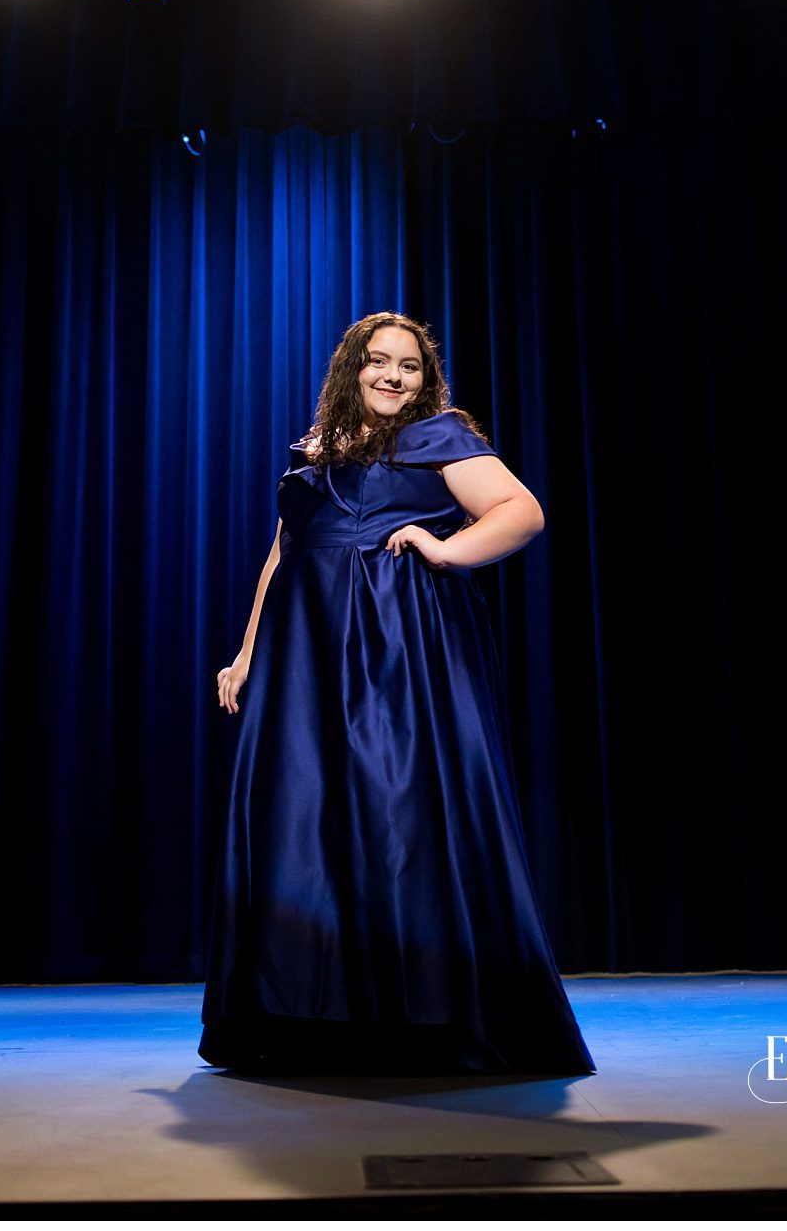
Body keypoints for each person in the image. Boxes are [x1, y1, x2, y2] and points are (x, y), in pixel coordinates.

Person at [199, 312, 595, 1075]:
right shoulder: (314, 451)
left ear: (424, 379)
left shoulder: (436, 436)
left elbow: (521, 511)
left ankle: (422, 1016)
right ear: (350, 369)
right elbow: (281, 556)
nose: (392, 376)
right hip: (304, 656)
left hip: (395, 649)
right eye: (377, 362)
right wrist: (247, 653)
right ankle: (307, 1018)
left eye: (407, 366)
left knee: (397, 810)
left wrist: (446, 549)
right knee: (305, 820)